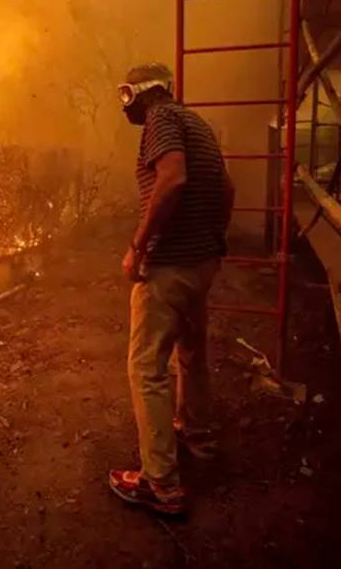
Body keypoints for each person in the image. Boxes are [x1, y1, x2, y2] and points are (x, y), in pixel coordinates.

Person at [108, 62, 234, 516]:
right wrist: (212, 238)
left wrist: (138, 246)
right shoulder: (196, 122)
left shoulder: (161, 119)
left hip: (169, 267)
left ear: (141, 94)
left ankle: (160, 483)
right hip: (201, 264)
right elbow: (227, 187)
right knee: (191, 354)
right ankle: (198, 437)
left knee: (147, 369)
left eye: (126, 95)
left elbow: (174, 177)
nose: (125, 106)